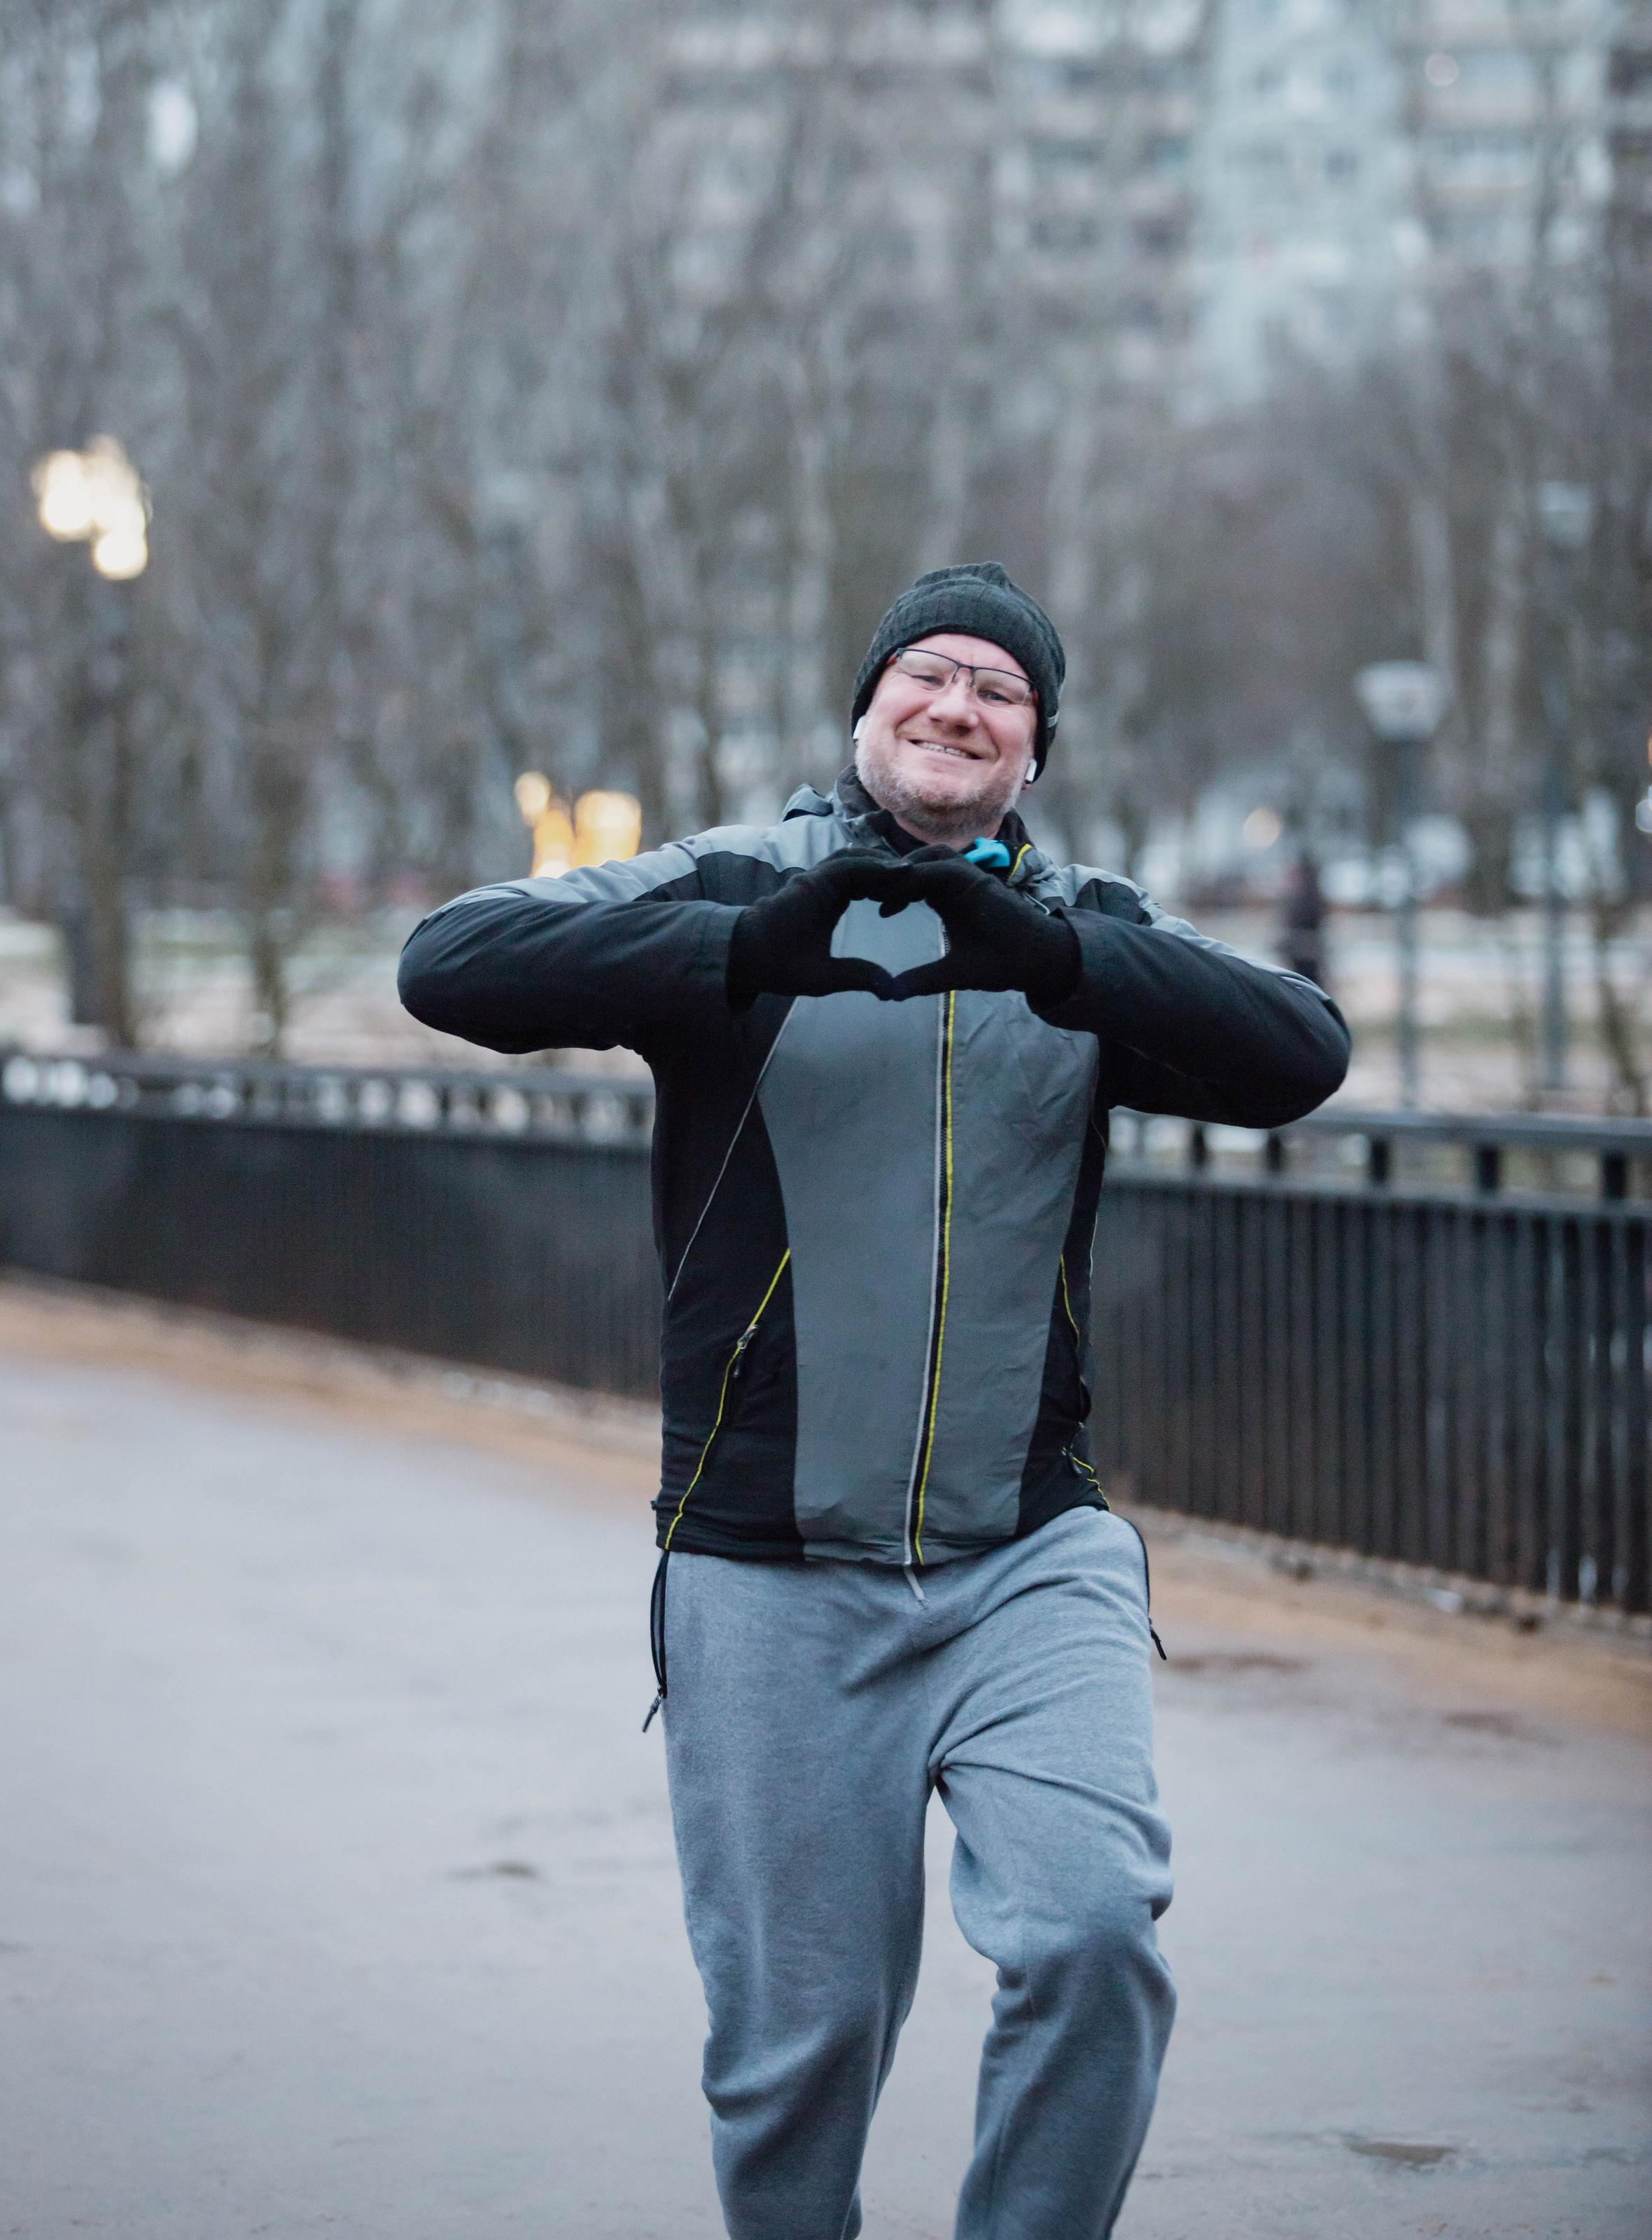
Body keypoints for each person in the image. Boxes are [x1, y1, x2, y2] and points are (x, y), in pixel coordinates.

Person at [398, 562, 1350, 2240]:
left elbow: (1296, 1052)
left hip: (1021, 1553)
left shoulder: (1086, 926)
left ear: (1031, 749)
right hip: (763, 1564)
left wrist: (1057, 961)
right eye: (926, 673)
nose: (955, 706)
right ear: (865, 704)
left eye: (999, 689)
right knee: (799, 2046)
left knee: (1090, 1930)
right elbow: (451, 958)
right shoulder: (732, 879)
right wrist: (742, 947)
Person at [1280, 850, 1330, 991]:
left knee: (1307, 984)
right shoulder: (1310, 894)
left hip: (1305, 953)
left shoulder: (1306, 897)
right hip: (1303, 952)